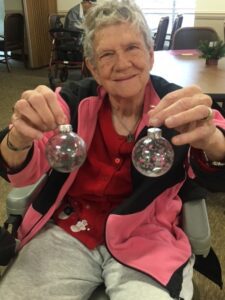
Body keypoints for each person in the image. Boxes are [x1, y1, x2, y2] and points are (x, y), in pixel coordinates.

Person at [0, 0, 225, 299]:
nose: (122, 64)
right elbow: (22, 167)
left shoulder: (177, 105)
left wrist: (212, 141)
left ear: (150, 54)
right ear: (92, 66)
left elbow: (218, 139)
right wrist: (18, 139)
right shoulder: (70, 103)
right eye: (107, 54)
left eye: (132, 48)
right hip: (70, 229)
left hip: (148, 235)